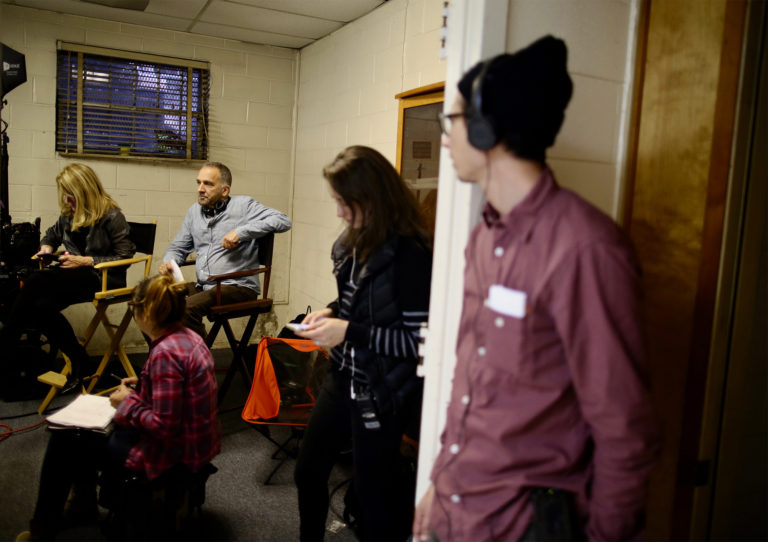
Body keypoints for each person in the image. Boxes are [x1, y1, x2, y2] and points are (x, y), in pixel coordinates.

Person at [412, 36, 660, 542]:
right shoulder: (484, 236)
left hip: (523, 526)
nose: (444, 137)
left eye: (452, 120)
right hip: (458, 509)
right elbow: (471, 383)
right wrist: (439, 480)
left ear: (486, 128)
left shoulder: (585, 249)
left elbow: (625, 427)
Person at [293, 145, 433, 541]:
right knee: (308, 472)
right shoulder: (351, 243)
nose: (338, 212)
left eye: (344, 202)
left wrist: (348, 330)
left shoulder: (412, 255)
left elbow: (419, 343)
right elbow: (357, 303)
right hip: (344, 375)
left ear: (372, 198)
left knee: (374, 497)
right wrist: (329, 311)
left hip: (385, 389)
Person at [16, 273, 222, 542]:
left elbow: (164, 427)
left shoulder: (165, 354)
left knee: (65, 439)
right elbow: (179, 392)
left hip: (172, 453)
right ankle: (81, 504)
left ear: (146, 312)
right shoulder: (188, 338)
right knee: (81, 434)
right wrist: (146, 382)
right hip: (197, 445)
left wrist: (128, 403)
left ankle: (45, 528)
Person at [1, 163, 135, 394]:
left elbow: (125, 255)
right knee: (40, 306)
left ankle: (4, 347)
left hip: (101, 277)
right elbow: (50, 235)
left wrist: (85, 260)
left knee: (35, 282)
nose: (66, 199)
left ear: (84, 190)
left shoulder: (112, 216)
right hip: (75, 275)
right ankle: (79, 360)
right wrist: (46, 248)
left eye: (70, 194)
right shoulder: (68, 215)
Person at [159, 161, 291, 338]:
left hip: (238, 287)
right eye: (198, 182)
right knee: (149, 301)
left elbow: (283, 220)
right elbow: (178, 247)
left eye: (208, 184)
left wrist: (241, 232)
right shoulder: (194, 212)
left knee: (185, 309)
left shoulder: (243, 206)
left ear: (225, 190)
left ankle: (201, 361)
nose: (200, 188)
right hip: (205, 286)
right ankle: (169, 358)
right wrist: (169, 261)